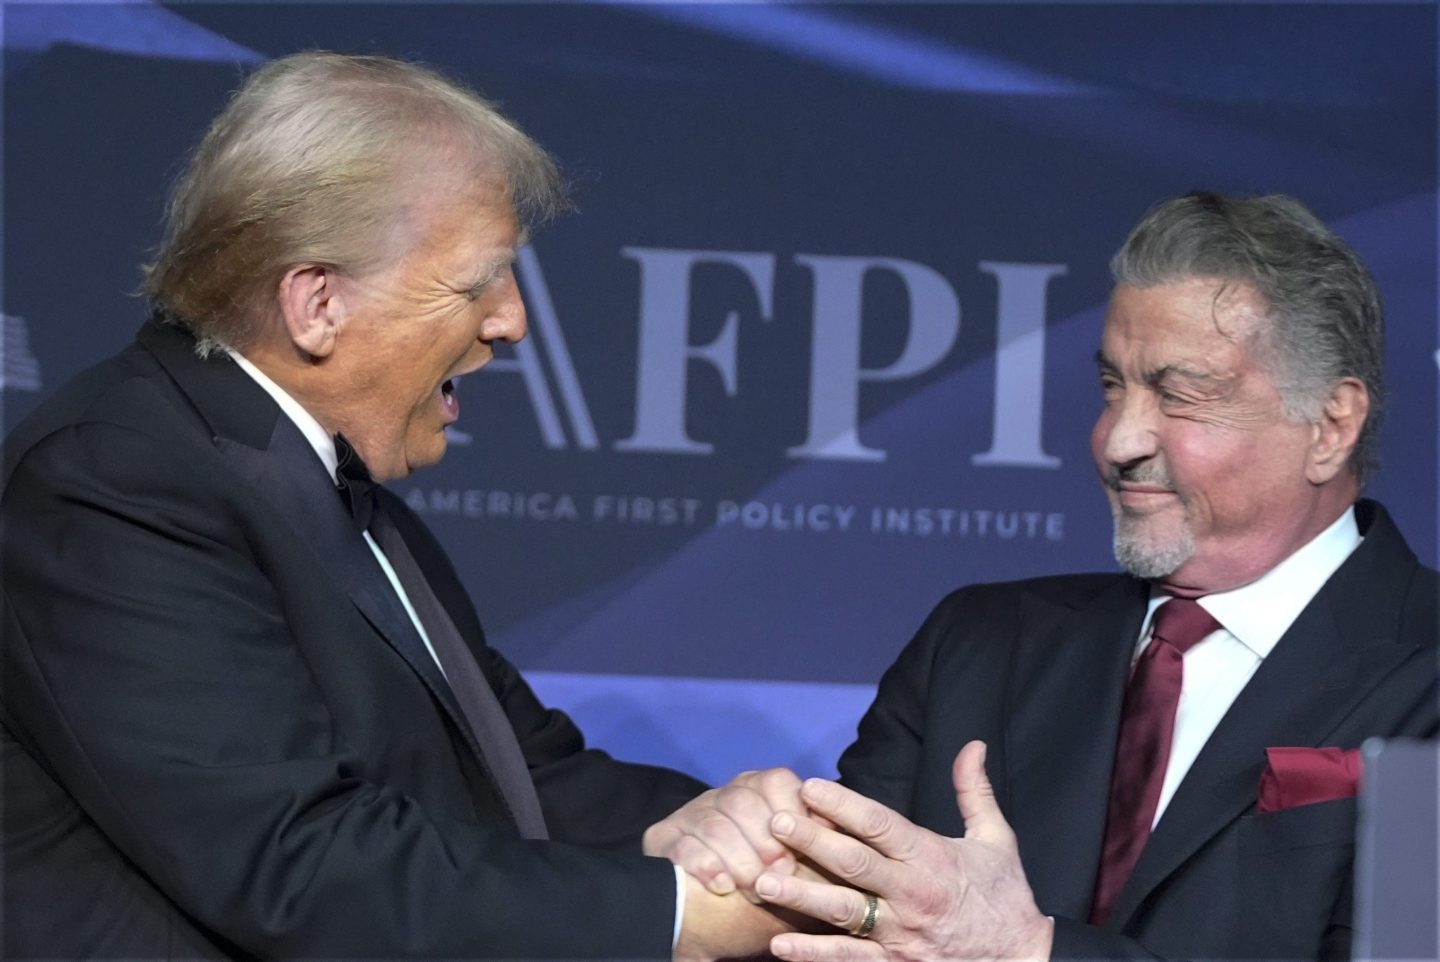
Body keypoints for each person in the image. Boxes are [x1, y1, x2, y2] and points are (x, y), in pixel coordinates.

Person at [0, 52, 782, 960]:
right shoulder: (113, 481)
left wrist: (712, 828)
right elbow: (293, 861)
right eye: (476, 281)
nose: (511, 321)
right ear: (317, 302)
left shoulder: (337, 493)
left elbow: (523, 775)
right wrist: (680, 917)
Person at [645, 193, 1439, 961]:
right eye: (1111, 387)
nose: (1120, 439)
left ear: (1332, 425)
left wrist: (1029, 953)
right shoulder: (980, 643)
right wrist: (751, 849)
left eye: (1181, 394)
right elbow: (827, 929)